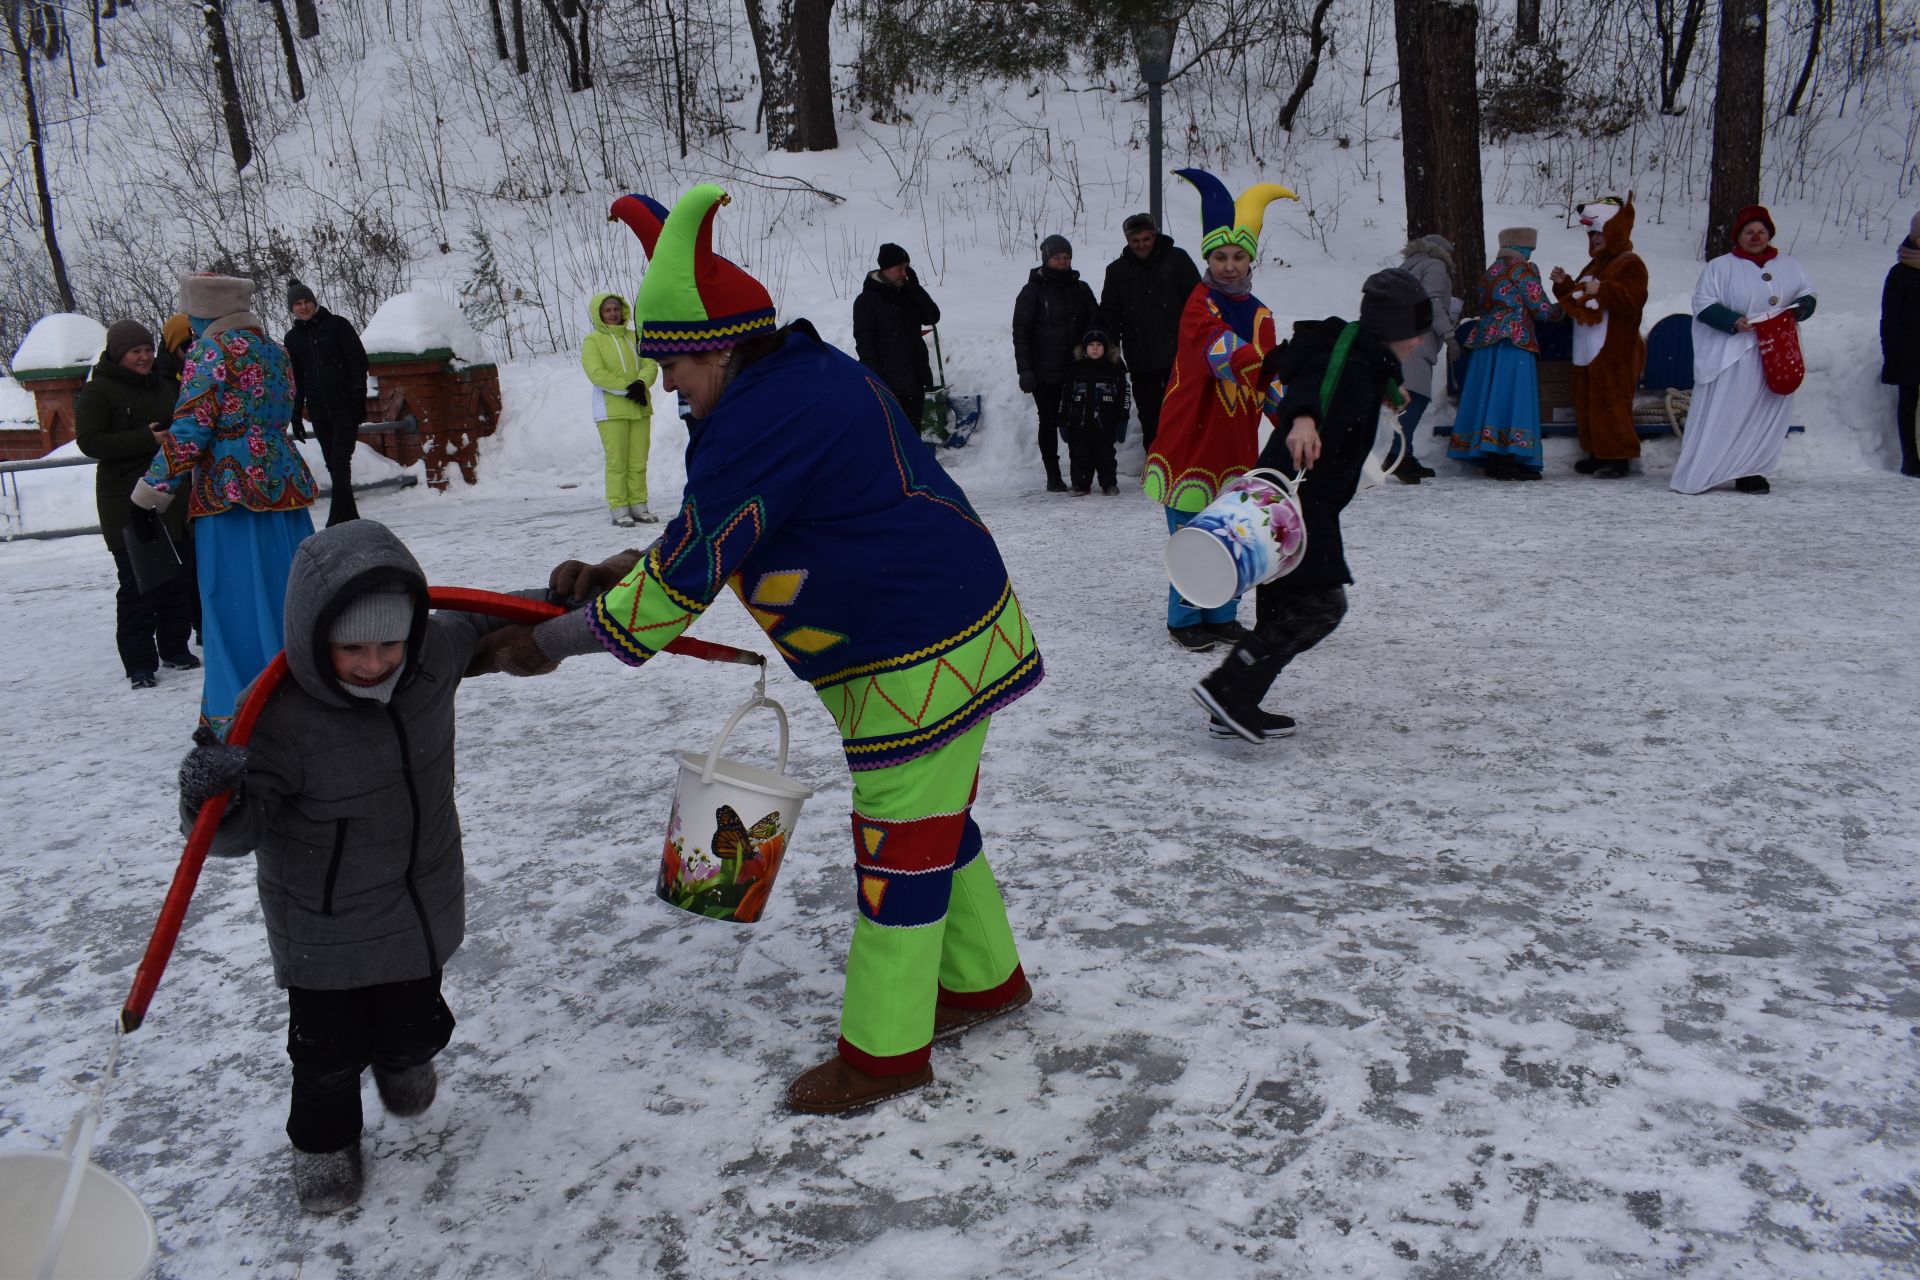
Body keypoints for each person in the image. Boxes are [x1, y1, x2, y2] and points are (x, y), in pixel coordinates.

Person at [477, 186, 1045, 1115]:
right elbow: (732, 524)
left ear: (720, 345)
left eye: (672, 364)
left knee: (900, 848)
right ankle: (985, 980)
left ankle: (885, 1053)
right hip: (960, 624)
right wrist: (633, 559)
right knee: (941, 822)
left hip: (917, 655)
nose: (665, 385)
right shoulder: (799, 374)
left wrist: (546, 644)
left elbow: (682, 581)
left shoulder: (757, 418)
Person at [173, 520, 523, 1213]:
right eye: (351, 648)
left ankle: (404, 1056)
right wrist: (207, 790)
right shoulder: (274, 717)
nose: (373, 664)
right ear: (312, 637)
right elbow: (230, 836)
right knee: (325, 1057)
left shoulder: (431, 659)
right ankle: (323, 1146)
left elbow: (495, 615)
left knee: (413, 1017)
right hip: (323, 926)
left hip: (418, 900)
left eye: (389, 643)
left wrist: (576, 591)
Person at [1192, 269, 1431, 742]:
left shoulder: (1361, 352)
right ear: (1395, 329)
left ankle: (1234, 704)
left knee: (1282, 607)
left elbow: (1325, 355)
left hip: (1292, 497)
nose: (1418, 342)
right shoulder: (1348, 363)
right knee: (1321, 607)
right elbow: (1314, 374)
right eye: (1414, 332)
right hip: (1299, 502)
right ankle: (1226, 689)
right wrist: (1302, 418)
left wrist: (1390, 389)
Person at [133, 272, 318, 738]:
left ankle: (241, 712)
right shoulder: (275, 350)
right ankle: (303, 692)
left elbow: (192, 428)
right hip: (284, 490)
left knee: (234, 602)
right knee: (289, 596)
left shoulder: (210, 352)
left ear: (202, 313)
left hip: (231, 495)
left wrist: (151, 490)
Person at [1142, 167, 1297, 653]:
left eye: (1237, 256)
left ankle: (1223, 613)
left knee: (1230, 532)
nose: (1229, 266)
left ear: (1251, 259)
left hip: (1233, 444)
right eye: (1219, 256)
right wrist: (1265, 361)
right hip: (1191, 439)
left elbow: (1267, 382)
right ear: (1207, 257)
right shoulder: (1198, 305)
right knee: (1192, 532)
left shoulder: (1262, 313)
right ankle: (1184, 616)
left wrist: (1293, 418)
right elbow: (1218, 351)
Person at [73, 319, 201, 688]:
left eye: (147, 349)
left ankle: (174, 647)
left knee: (177, 574)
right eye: (135, 352)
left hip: (170, 496)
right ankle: (140, 663)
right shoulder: (99, 392)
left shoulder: (163, 385)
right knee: (138, 582)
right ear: (119, 354)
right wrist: (144, 439)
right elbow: (90, 441)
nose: (144, 357)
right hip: (124, 498)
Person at [1672, 206, 1818, 495]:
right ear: (1738, 236)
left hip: (1774, 352)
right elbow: (1703, 304)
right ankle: (1707, 469)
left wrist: (1802, 308)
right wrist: (1732, 321)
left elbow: (1807, 294)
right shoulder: (1720, 266)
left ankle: (1752, 471)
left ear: (1769, 234)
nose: (1756, 237)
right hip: (1735, 353)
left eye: (1761, 232)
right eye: (1749, 232)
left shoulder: (1788, 265)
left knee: (1765, 412)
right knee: (1729, 411)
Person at [1447, 228, 1561, 480]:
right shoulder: (1521, 270)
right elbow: (1540, 307)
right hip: (1514, 340)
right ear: (1523, 249)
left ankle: (1491, 456)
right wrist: (1563, 308)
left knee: (1490, 396)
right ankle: (1509, 458)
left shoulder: (1491, 272)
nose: (1530, 255)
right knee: (1512, 397)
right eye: (1529, 250)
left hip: (1485, 340)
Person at [1550, 196, 1648, 479]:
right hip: (1587, 347)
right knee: (1587, 400)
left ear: (1616, 231)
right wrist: (1565, 285)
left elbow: (1634, 299)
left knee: (1612, 400)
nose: (1594, 239)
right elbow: (1580, 297)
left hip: (1612, 348)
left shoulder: (1630, 263)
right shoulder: (1594, 266)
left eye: (1600, 234)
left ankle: (1619, 457)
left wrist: (1602, 291)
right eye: (1592, 235)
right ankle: (1596, 452)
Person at [1099, 212, 1200, 454]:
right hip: (1141, 357)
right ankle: (1156, 463)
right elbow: (1110, 315)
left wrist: (1197, 341)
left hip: (1179, 355)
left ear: (1154, 236)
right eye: (1136, 240)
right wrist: (1112, 352)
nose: (1142, 244)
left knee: (1182, 411)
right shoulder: (1117, 271)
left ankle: (1184, 460)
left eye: (1146, 238)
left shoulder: (1178, 260)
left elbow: (1197, 303)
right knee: (1150, 414)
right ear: (1128, 241)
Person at [1012, 234, 1100, 491]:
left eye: (1066, 257)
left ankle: (1079, 473)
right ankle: (1053, 473)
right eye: (1057, 257)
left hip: (1077, 368)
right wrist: (1025, 369)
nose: (1063, 262)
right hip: (1043, 372)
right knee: (1048, 421)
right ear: (1046, 259)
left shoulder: (1081, 289)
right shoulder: (1032, 291)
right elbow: (1021, 332)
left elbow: (1095, 321)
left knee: (1077, 422)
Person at [284, 280, 369, 526]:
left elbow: (358, 361)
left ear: (314, 301)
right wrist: (296, 414)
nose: (304, 307)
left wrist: (357, 396)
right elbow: (296, 378)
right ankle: (349, 516)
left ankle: (338, 518)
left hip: (345, 405)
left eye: (306, 301)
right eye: (298, 304)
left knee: (340, 459)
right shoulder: (292, 339)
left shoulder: (337, 325)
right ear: (292, 309)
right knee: (333, 463)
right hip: (320, 409)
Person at [580, 291, 659, 526]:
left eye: (616, 309)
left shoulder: (635, 337)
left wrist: (641, 384)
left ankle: (639, 505)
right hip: (611, 411)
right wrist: (629, 388)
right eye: (608, 310)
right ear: (599, 314)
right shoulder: (593, 340)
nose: (613, 314)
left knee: (638, 460)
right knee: (617, 462)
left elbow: (650, 363)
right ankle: (619, 509)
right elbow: (596, 373)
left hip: (639, 408)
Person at [1391, 233, 1458, 482]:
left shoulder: (1406, 267)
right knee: (1415, 400)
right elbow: (1432, 302)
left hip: (1397, 339)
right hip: (1418, 341)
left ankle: (1404, 455)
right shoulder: (1435, 266)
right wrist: (1449, 335)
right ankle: (1398, 456)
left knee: (1404, 399)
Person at [852, 242, 941, 426]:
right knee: (892, 439)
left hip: (914, 382)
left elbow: (932, 316)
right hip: (888, 386)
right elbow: (865, 344)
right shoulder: (866, 301)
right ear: (885, 269)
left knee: (913, 437)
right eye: (899, 268)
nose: (904, 273)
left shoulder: (908, 295)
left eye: (906, 268)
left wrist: (916, 289)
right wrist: (877, 382)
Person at [1060, 328, 1129, 495]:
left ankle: (1109, 484)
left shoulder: (1113, 370)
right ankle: (1080, 484)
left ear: (1105, 348)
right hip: (1080, 424)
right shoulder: (1075, 369)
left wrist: (1122, 420)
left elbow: (1124, 396)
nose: (1095, 348)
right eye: (1091, 345)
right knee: (1079, 456)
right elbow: (1066, 396)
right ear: (1085, 349)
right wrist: (1063, 420)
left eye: (1099, 345)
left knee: (1105, 456)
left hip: (1105, 424)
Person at [1881, 208, 1920, 477]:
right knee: (1909, 403)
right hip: (1910, 349)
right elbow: (1890, 317)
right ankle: (1911, 459)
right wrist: (1891, 352)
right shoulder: (1900, 273)